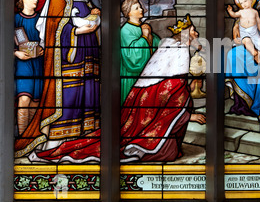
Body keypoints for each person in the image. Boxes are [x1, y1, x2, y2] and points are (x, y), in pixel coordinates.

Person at [24, 15, 206, 163]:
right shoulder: (178, 51)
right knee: (159, 150)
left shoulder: (171, 48)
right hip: (153, 125)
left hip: (145, 99)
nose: (196, 33)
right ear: (185, 35)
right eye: (192, 31)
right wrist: (192, 115)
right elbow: (172, 97)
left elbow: (169, 90)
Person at [15, 0, 101, 159]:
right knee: (68, 100)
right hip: (66, 61)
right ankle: (56, 141)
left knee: (87, 97)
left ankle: (81, 139)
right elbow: (53, 30)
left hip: (88, 59)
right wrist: (77, 31)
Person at [14, 0, 44, 135]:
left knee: (35, 103)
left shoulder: (41, 18)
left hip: (38, 63)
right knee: (24, 99)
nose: (36, 0)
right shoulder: (15, 19)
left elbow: (46, 39)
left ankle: (29, 137)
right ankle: (21, 138)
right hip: (22, 64)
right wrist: (16, 53)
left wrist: (44, 48)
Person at [120, 0, 161, 104]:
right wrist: (145, 36)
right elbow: (132, 56)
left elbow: (157, 45)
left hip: (147, 72)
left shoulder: (143, 27)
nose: (141, 9)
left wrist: (150, 36)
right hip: (132, 76)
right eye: (136, 8)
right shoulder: (126, 30)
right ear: (129, 12)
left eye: (140, 7)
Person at [227, 0, 260, 64]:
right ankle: (253, 52)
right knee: (246, 40)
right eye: (241, 3)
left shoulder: (255, 12)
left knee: (259, 43)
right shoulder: (241, 12)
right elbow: (234, 15)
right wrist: (230, 11)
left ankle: (258, 57)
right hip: (244, 32)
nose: (243, 4)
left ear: (251, 0)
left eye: (245, 1)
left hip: (254, 31)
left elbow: (258, 22)